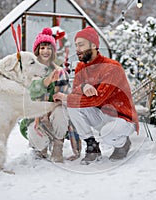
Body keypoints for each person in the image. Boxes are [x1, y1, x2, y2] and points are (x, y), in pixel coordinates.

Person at [53, 26, 139, 165]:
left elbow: (98, 98)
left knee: (106, 133)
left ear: (93, 45)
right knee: (72, 105)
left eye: (81, 45)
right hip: (101, 114)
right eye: (76, 45)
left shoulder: (112, 67)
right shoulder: (81, 67)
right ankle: (92, 146)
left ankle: (122, 143)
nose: (78, 49)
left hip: (123, 118)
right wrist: (83, 86)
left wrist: (66, 98)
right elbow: (76, 92)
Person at [19, 27, 70, 163]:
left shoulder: (59, 71)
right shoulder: (30, 71)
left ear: (53, 50)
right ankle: (40, 147)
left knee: (60, 113)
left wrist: (52, 105)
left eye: (49, 48)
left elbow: (65, 94)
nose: (45, 51)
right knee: (38, 138)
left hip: (53, 109)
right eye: (42, 48)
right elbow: (31, 92)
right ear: (37, 51)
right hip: (35, 114)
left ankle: (58, 146)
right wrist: (46, 82)